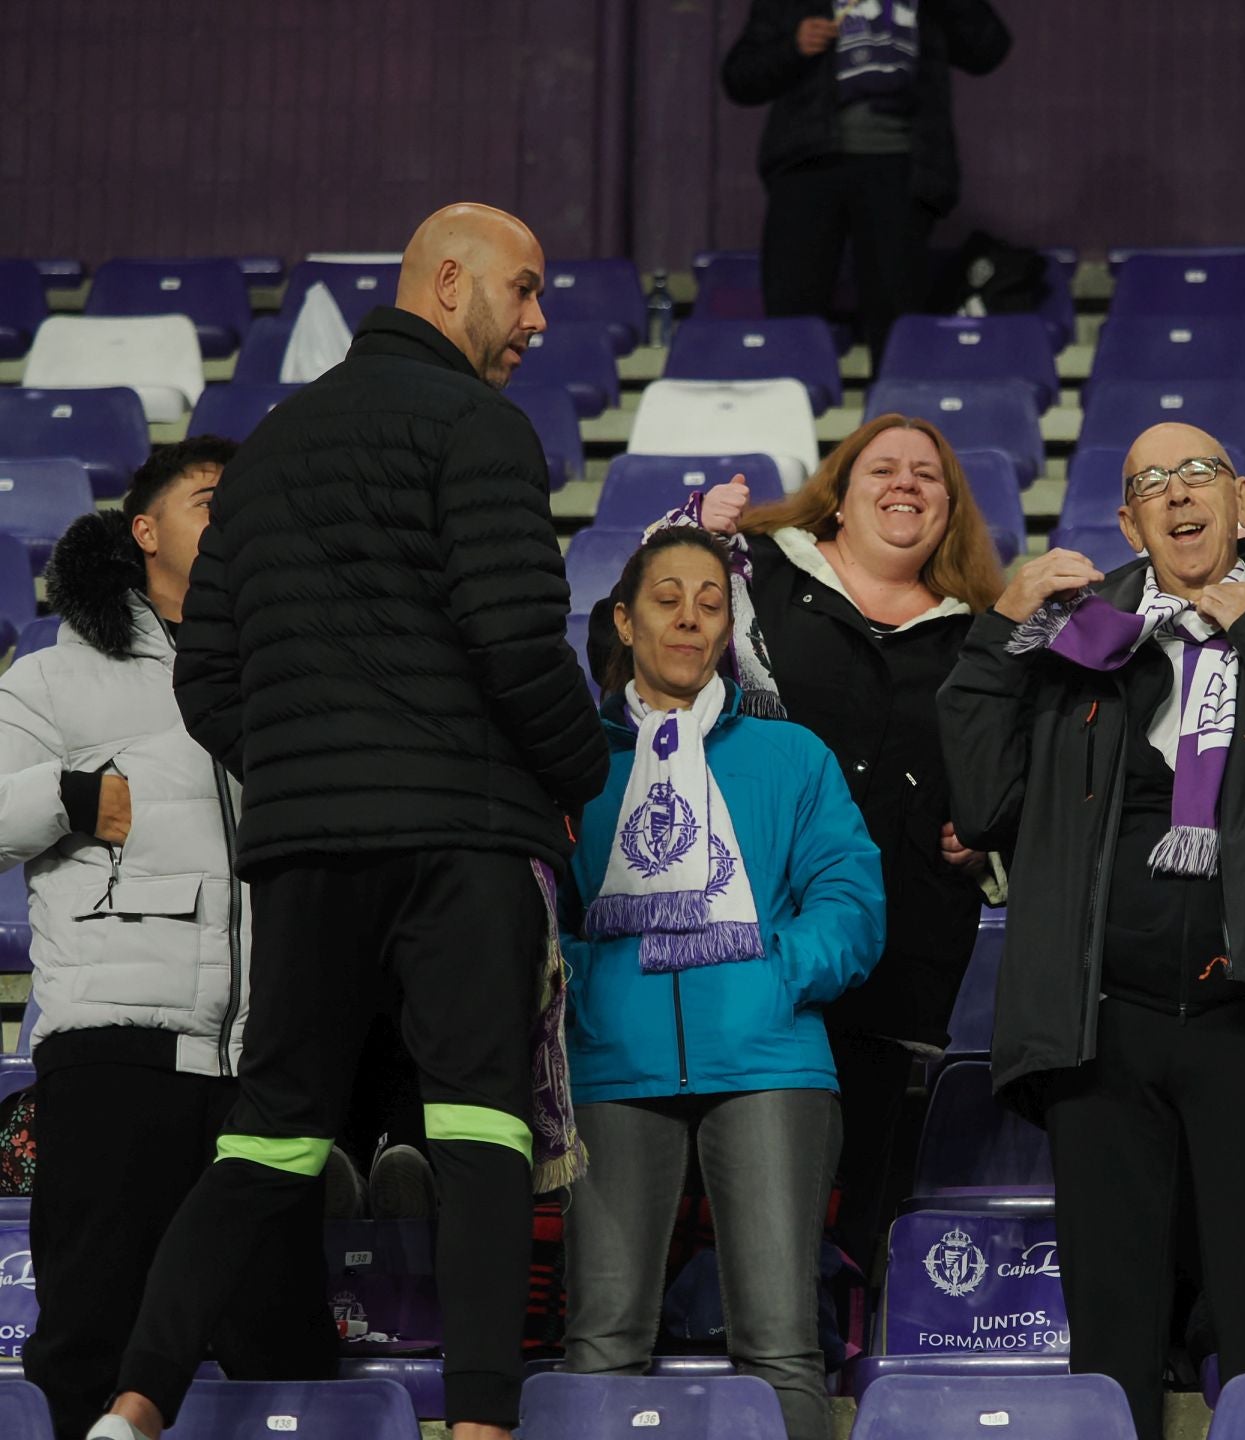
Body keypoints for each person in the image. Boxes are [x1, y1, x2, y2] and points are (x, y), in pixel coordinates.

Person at [86, 203, 608, 1440]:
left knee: (268, 1135)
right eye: (524, 290)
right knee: (480, 1131)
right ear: (446, 280)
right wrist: (579, 772)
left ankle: (131, 1407)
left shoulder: (261, 456)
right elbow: (515, 641)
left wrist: (313, 771)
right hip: (462, 843)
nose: (539, 319)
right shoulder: (481, 428)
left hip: (306, 850)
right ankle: (480, 1427)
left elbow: (205, 682)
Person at [939, 422, 1245, 1440]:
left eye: (1197, 472)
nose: (1176, 492)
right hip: (1101, 1027)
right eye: (1149, 482)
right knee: (1109, 1345)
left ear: (1243, 502)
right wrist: (999, 628)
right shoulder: (1082, 641)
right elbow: (983, 802)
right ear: (1129, 521)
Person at [0, 441, 333, 1440]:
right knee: (90, 1343)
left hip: (264, 1064)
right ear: (144, 531)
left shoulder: (292, 669)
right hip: (116, 1052)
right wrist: (70, 795)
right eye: (207, 501)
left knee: (283, 1352)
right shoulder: (56, 675)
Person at [637, 415, 1005, 1280]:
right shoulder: (754, 572)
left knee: (841, 1208)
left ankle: (819, 1370)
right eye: (883, 468)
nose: (906, 483)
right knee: (704, 1189)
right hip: (731, 935)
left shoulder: (979, 635)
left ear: (950, 511)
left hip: (892, 965)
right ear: (837, 496)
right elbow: (640, 648)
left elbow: (1005, 777)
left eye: (928, 474)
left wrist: (983, 836)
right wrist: (694, 534)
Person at [561, 527, 884, 1440]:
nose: (691, 619)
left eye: (711, 602)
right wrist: (585, 982)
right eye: (667, 599)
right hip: (614, 1062)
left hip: (770, 1059)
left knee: (782, 1347)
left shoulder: (792, 757)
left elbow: (851, 899)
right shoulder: (573, 760)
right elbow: (534, 907)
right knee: (602, 1340)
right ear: (623, 620)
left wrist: (778, 971)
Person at [721, 0, 1012, 360]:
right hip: (807, 164)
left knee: (897, 325)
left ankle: (894, 412)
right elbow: (738, 78)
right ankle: (791, 405)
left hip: (900, 168)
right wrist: (792, 47)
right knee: (792, 316)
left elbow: (989, 50)